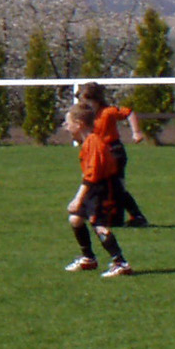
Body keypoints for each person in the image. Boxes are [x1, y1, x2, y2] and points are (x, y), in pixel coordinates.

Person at [62, 102, 132, 277]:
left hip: (102, 188)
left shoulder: (94, 142)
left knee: (99, 225)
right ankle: (88, 258)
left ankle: (120, 262)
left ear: (79, 124)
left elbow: (92, 176)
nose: (66, 127)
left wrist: (78, 199)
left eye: (68, 123)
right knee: (76, 219)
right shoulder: (88, 142)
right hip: (95, 187)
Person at [75, 82, 148, 227]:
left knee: (116, 186)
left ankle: (136, 216)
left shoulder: (107, 112)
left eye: (87, 101)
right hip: (99, 154)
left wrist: (136, 132)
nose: (85, 105)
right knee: (104, 185)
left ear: (96, 100)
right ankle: (106, 216)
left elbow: (129, 112)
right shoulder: (88, 117)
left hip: (114, 152)